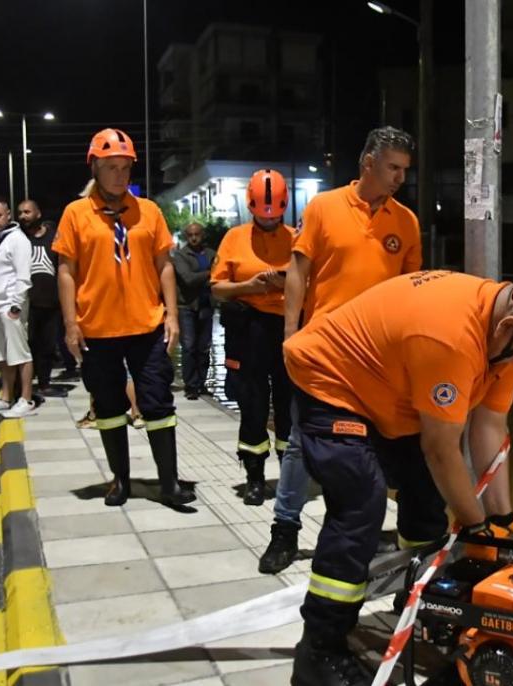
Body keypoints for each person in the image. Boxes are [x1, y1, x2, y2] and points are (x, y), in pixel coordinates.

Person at [284, 270, 513, 685]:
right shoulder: (451, 340)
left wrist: (501, 521)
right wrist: (477, 527)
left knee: (426, 497)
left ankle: (421, 602)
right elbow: (441, 448)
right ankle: (319, 651)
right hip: (330, 380)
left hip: (389, 387)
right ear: (507, 328)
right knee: (361, 502)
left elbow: (490, 426)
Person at [261, 126, 423, 575]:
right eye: (393, 167)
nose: (399, 178)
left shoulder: (405, 223)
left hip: (379, 358)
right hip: (322, 351)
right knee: (300, 444)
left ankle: (358, 528)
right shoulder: (323, 208)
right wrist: (291, 333)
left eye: (404, 171)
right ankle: (284, 530)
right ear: (367, 162)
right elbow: (298, 272)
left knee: (368, 445)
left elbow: (412, 291)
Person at [54, 127, 194, 507]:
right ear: (95, 168)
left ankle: (169, 483)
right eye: (112, 167)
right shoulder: (76, 214)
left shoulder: (148, 211)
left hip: (146, 325)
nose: (120, 174)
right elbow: (66, 271)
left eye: (125, 166)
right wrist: (70, 323)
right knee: (110, 406)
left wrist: (172, 316)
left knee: (158, 402)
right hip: (97, 329)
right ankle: (120, 480)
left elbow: (164, 265)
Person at [211, 169, 295, 506]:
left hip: (288, 328)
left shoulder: (297, 237)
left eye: (275, 215)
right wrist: (250, 287)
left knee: (290, 407)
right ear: (251, 207)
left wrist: (283, 283)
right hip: (248, 331)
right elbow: (217, 288)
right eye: (263, 214)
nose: (269, 220)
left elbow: (313, 281)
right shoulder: (234, 238)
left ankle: (290, 478)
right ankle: (255, 477)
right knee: (253, 404)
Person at [0, 197, 36, 418]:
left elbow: (23, 276)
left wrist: (15, 305)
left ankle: (26, 398)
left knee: (20, 354)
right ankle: (6, 396)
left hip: (9, 306)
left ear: (8, 214)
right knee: (2, 355)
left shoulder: (17, 240)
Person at [172, 222, 217, 400]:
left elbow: (219, 275)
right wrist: (209, 273)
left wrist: (209, 275)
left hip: (206, 305)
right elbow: (188, 279)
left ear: (202, 234)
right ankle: (191, 385)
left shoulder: (211, 254)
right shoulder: (181, 255)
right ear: (186, 236)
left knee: (204, 347)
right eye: (190, 235)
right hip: (187, 306)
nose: (194, 238)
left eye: (197, 234)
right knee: (189, 347)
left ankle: (202, 383)